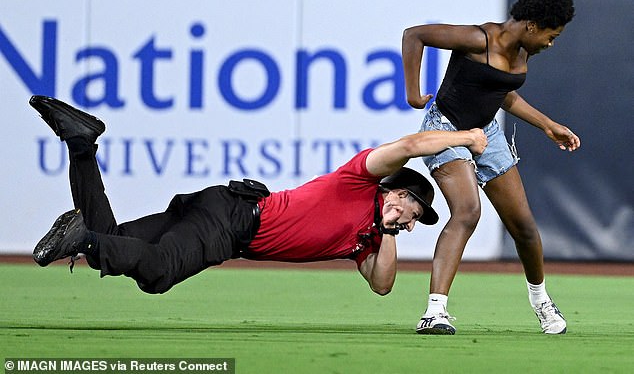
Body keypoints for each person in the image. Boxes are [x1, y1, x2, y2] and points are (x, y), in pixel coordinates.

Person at [29, 95, 487, 297]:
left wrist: (388, 231)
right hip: (233, 219)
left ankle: (81, 146)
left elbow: (382, 285)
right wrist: (465, 137)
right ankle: (80, 238)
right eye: (414, 210)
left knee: (112, 240)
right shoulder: (360, 180)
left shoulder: (365, 240)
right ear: (399, 190)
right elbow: (408, 147)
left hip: (224, 215)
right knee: (158, 274)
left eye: (414, 222)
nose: (410, 221)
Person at [401, 0, 579, 335]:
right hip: (447, 128)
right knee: (468, 210)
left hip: (486, 133)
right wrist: (412, 93)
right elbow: (414, 35)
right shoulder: (478, 39)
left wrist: (547, 125)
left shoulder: (524, 52)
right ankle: (434, 312)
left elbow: (504, 94)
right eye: (551, 34)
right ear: (531, 26)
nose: (551, 43)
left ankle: (541, 301)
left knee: (524, 226)